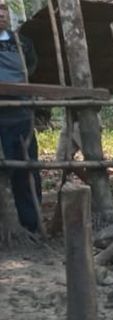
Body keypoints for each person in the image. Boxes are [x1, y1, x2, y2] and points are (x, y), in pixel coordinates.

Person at [0, 0, 40, 233]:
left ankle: (29, 225)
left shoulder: (23, 44)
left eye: (4, 8)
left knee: (26, 171)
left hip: (21, 115)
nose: (0, 13)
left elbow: (31, 68)